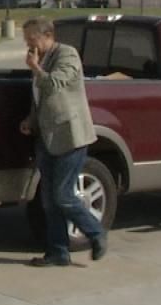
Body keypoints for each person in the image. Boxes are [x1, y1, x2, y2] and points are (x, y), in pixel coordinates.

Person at [17, 17, 107, 267]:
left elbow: (56, 83)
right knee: (48, 199)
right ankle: (58, 252)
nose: (28, 44)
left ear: (47, 36)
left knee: (63, 195)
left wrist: (35, 68)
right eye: (26, 40)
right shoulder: (41, 59)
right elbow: (40, 96)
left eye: (31, 39)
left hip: (70, 135)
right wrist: (31, 120)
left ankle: (96, 232)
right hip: (47, 136)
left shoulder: (67, 55)